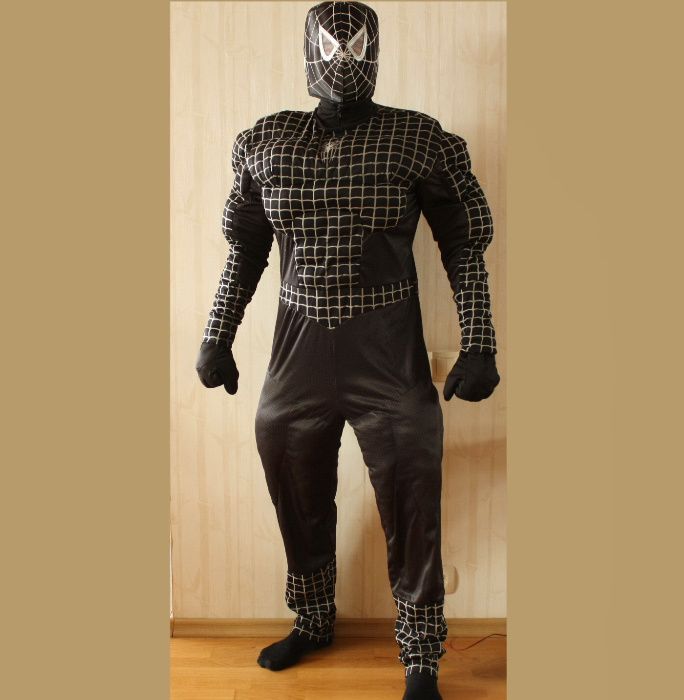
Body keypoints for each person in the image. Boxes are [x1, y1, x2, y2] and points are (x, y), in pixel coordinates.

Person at [195, 2, 500, 698]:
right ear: (307, 50)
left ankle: (420, 654)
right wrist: (218, 336)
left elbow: (463, 242)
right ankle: (312, 618)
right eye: (331, 46)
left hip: (387, 352)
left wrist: (479, 342)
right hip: (296, 349)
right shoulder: (266, 142)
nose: (343, 61)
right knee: (290, 471)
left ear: (376, 52)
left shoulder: (417, 139)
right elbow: (245, 248)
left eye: (356, 47)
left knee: (412, 485)